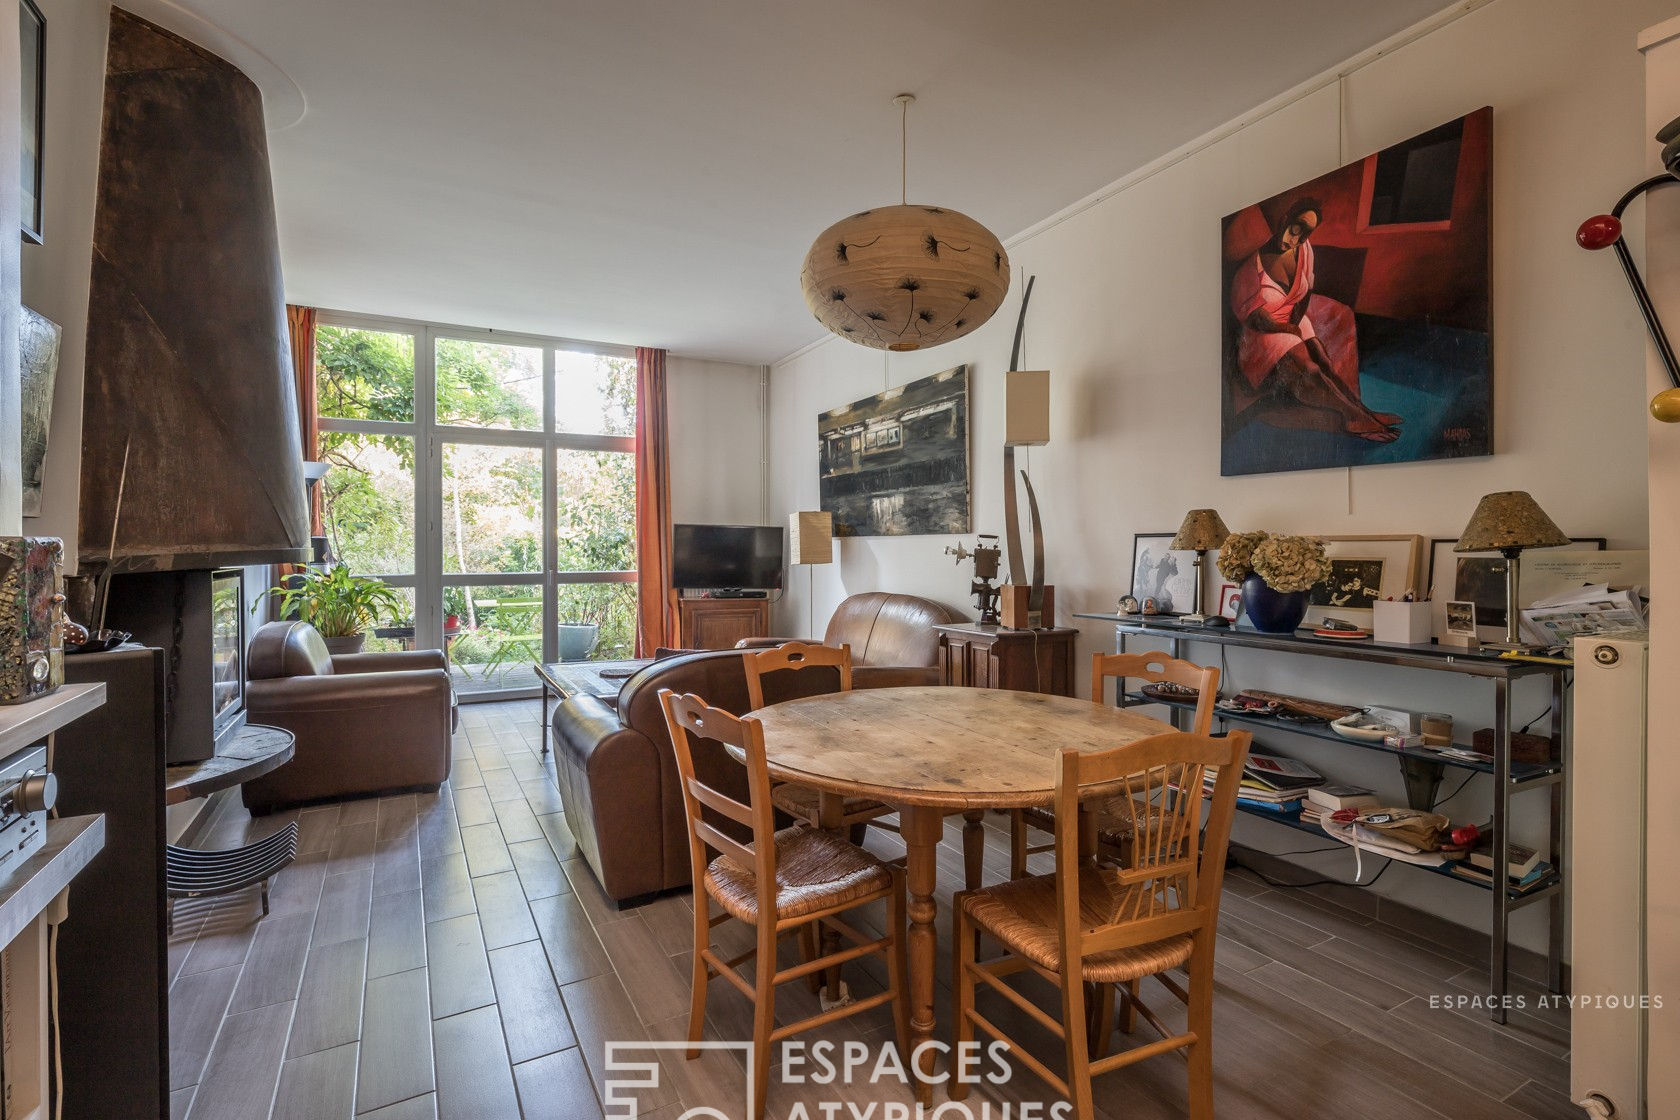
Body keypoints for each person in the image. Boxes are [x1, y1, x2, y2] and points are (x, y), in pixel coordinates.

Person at [1229, 198, 1401, 442]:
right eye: (1297, 228)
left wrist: (1298, 325)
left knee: (1322, 357)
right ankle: (1351, 416)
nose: (1297, 239)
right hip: (1263, 333)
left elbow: (1306, 289)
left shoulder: (1304, 250)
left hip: (1288, 318)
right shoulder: (1250, 270)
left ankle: (1362, 410)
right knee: (1310, 369)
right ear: (1286, 219)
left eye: (1306, 233)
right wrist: (1288, 330)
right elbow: (1256, 320)